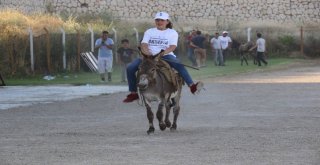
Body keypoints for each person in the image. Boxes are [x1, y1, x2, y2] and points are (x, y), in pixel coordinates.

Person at [123, 11, 203, 103]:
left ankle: (192, 86)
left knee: (179, 65)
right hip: (148, 57)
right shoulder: (149, 31)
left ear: (167, 21)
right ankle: (133, 93)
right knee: (130, 68)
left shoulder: (172, 32)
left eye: (162, 20)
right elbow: (143, 44)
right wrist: (146, 53)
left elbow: (172, 46)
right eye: (157, 20)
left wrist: (162, 53)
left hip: (166, 56)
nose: (159, 22)